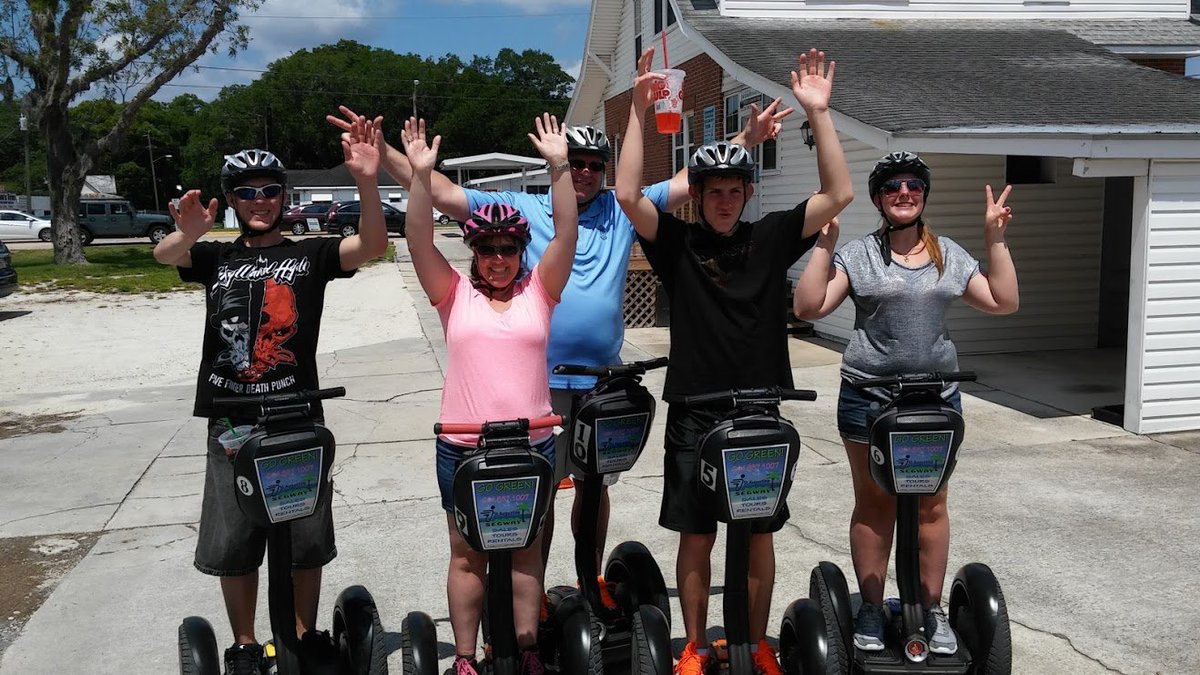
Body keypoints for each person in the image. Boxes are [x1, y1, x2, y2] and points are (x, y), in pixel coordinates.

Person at [326, 59, 791, 584]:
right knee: (539, 494)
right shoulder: (522, 208)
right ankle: (538, 593)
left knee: (597, 493)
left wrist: (745, 139)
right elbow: (436, 192)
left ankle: (591, 580)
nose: (586, 170)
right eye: (576, 161)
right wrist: (385, 151)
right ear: (560, 162)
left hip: (603, 381)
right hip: (541, 386)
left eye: (595, 162)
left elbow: (700, 179)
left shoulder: (622, 207)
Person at [615, 49, 853, 675]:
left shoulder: (771, 235)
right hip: (695, 410)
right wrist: (639, 111)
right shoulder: (676, 242)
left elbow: (839, 192)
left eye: (733, 190)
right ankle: (695, 645)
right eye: (712, 191)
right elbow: (627, 193)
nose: (724, 201)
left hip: (759, 409)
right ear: (698, 195)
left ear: (748, 193)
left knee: (759, 535)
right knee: (698, 535)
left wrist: (818, 114)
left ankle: (756, 642)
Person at [153, 119, 388, 675]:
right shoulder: (215, 259)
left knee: (304, 536)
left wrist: (368, 181)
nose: (259, 201)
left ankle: (303, 636)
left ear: (284, 196)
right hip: (232, 423)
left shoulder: (310, 255)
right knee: (237, 541)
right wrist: (188, 233)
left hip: (295, 417)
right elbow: (165, 256)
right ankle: (244, 644)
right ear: (231, 199)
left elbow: (374, 244)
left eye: (269, 190)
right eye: (246, 192)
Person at [791, 151, 1019, 655]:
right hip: (868, 399)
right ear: (877, 198)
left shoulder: (949, 255)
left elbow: (1004, 300)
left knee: (931, 506)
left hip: (934, 402)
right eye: (892, 185)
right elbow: (808, 306)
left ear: (923, 194)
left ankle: (931, 610)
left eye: (913, 184)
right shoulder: (858, 254)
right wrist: (824, 246)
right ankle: (871, 607)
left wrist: (995, 240)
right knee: (876, 505)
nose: (903, 192)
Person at [398, 113, 577, 675]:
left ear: (521, 249)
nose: (497, 258)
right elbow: (417, 239)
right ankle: (467, 659)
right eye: (486, 249)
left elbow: (567, 231)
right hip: (462, 445)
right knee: (467, 556)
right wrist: (422, 178)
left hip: (532, 444)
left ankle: (525, 649)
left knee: (526, 553)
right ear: (473, 251)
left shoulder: (539, 292)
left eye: (506, 248)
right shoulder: (454, 295)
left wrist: (560, 167)